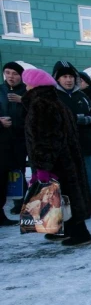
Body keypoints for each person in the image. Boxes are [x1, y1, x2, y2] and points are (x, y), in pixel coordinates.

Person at [21, 69, 91, 246]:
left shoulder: (41, 104)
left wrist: (43, 166)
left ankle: (80, 234)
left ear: (35, 85)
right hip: (65, 159)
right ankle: (64, 230)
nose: (25, 86)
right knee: (63, 197)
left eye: (27, 83)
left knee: (65, 196)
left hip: (57, 161)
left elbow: (46, 138)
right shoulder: (55, 102)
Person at [52, 61, 91, 219]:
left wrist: (86, 122)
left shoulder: (82, 96)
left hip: (85, 146)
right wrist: (80, 119)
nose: (68, 80)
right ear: (57, 79)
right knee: (70, 182)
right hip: (64, 149)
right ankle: (73, 212)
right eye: (64, 76)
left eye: (71, 76)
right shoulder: (53, 97)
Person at [0, 61, 27, 225]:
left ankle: (22, 204)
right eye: (8, 72)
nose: (11, 76)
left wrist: (22, 100)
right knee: (2, 175)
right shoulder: (0, 90)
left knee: (21, 172)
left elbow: (37, 110)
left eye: (14, 73)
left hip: (22, 140)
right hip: (2, 141)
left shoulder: (27, 91)